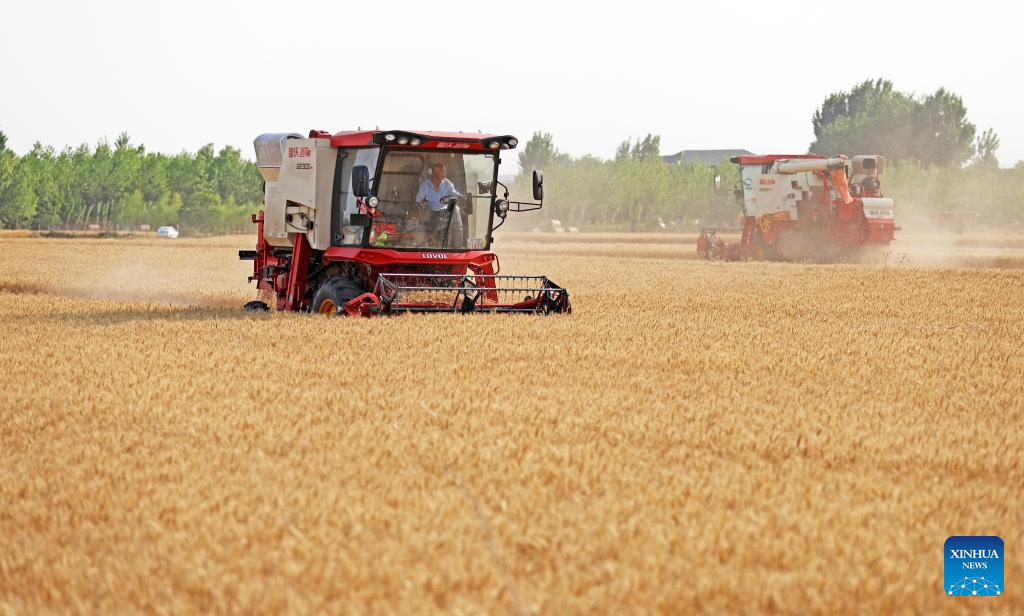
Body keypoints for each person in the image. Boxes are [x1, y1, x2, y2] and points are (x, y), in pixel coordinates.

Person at [415, 163, 463, 246]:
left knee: (455, 208)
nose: (445, 173)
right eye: (442, 171)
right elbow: (418, 202)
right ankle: (424, 244)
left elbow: (454, 194)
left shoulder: (447, 183)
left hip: (446, 212)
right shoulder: (425, 186)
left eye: (445, 171)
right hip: (431, 213)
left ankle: (458, 246)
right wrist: (422, 205)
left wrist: (461, 197)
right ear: (435, 173)